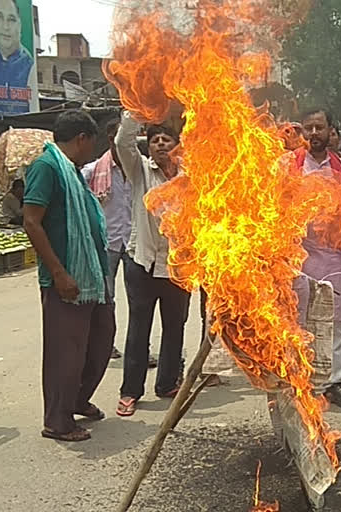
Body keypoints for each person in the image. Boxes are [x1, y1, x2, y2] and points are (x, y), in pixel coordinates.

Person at [23, 110, 115, 442]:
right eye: (93, 143)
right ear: (82, 139)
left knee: (102, 339)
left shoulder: (72, 171)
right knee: (67, 352)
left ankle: (77, 399)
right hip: (66, 279)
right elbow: (31, 221)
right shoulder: (47, 168)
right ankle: (57, 420)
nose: (93, 150)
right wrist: (59, 273)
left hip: (91, 276)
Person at [114, 111, 191, 417]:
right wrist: (136, 109)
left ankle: (168, 383)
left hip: (178, 267)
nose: (160, 143)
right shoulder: (139, 171)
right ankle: (130, 392)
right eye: (155, 139)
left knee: (175, 328)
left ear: (176, 146)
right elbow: (123, 142)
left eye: (166, 139)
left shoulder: (189, 176)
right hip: (142, 263)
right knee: (139, 330)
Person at [295, 108, 341, 411]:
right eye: (308, 128)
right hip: (299, 256)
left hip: (334, 256)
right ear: (301, 132)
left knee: (336, 323)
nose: (314, 133)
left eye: (319, 127)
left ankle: (334, 382)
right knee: (301, 323)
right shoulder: (288, 167)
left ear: (330, 130)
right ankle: (304, 381)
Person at [81, 117, 136, 361]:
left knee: (138, 302)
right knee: (106, 298)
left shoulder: (141, 167)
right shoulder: (93, 171)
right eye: (116, 135)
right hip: (107, 243)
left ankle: (138, 348)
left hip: (134, 243)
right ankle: (106, 344)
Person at [0, 0, 36, 117]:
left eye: (11, 19)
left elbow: (33, 116)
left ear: (19, 25)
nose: (5, 26)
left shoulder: (29, 65)